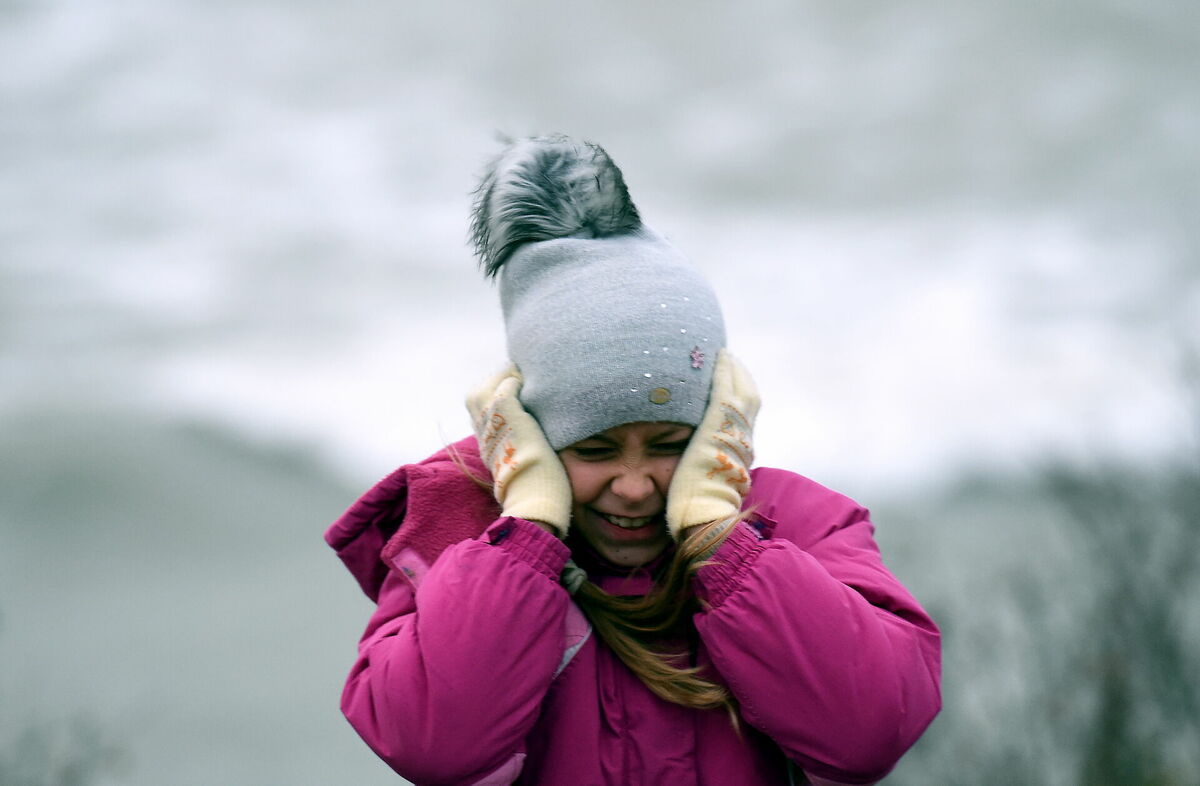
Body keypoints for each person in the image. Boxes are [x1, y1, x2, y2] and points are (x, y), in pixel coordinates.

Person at [325, 135, 941, 785]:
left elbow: (871, 731)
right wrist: (530, 526)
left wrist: (719, 538)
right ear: (529, 432)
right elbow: (434, 745)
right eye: (594, 448)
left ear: (718, 427)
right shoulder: (454, 538)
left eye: (671, 444)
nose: (635, 484)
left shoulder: (798, 528)